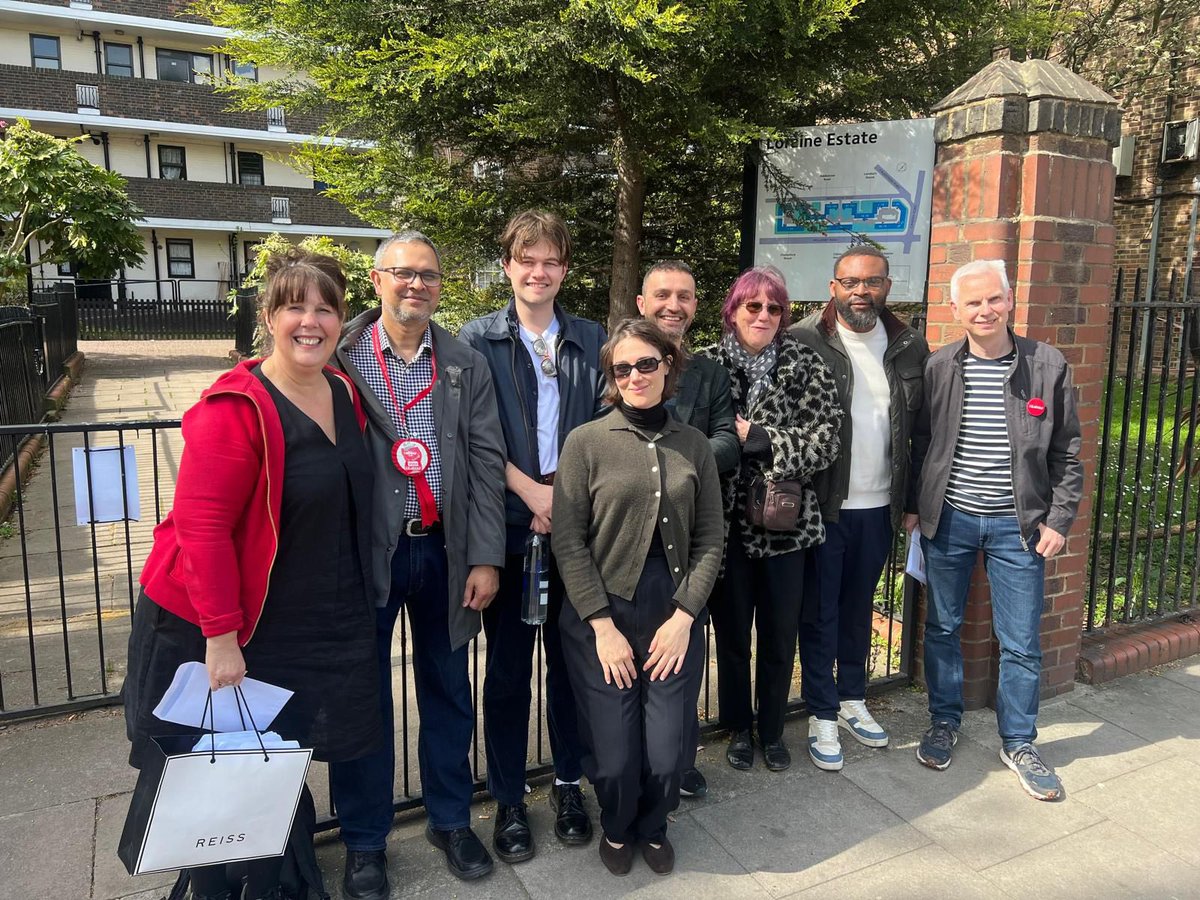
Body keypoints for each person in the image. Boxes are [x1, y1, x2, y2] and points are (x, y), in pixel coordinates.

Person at [126, 249, 381, 900]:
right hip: (221, 628)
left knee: (270, 774)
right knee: (223, 789)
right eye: (295, 305)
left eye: (326, 308)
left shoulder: (342, 390)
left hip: (303, 622)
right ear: (269, 316)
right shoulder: (233, 408)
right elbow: (201, 529)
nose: (311, 321)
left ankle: (276, 881)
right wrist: (221, 638)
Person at [332, 231, 507, 895]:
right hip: (364, 554)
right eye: (402, 273)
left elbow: (487, 463)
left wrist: (487, 555)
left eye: (428, 275)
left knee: (448, 690)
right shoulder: (341, 357)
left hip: (443, 548)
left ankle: (451, 819)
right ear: (375, 281)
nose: (416, 285)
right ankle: (365, 841)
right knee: (363, 700)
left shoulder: (462, 361)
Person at [458, 210, 604, 863]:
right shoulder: (476, 341)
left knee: (572, 673)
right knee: (509, 675)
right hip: (510, 532)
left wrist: (562, 499)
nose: (538, 271)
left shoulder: (593, 339)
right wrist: (528, 491)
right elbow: (470, 436)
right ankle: (511, 799)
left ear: (564, 270)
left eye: (551, 261)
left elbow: (607, 433)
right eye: (527, 260)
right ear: (509, 266)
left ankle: (569, 786)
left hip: (573, 534)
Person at [553, 318, 723, 876]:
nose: (634, 375)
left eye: (646, 363)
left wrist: (684, 617)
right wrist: (602, 626)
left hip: (671, 607)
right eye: (621, 367)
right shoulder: (586, 442)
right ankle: (619, 825)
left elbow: (710, 536)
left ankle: (655, 823)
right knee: (617, 753)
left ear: (668, 365)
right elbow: (568, 539)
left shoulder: (693, 444)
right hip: (601, 608)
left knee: (669, 750)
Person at [910, 259, 1082, 801]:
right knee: (941, 627)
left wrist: (1059, 519)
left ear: (1010, 301)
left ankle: (1019, 741)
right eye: (972, 302)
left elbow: (1069, 451)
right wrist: (917, 508)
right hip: (951, 518)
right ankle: (944, 720)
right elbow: (923, 445)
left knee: (1021, 641)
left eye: (994, 299)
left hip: (1020, 526)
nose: (985, 310)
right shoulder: (940, 366)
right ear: (955, 309)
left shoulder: (1046, 364)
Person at [790, 245, 929, 771]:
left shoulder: (910, 346)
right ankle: (822, 711)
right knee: (820, 610)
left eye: (871, 282)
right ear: (833, 288)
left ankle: (852, 699)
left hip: (881, 506)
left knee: (859, 607)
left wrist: (912, 503)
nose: (860, 292)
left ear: (887, 286)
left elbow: (923, 434)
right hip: (824, 505)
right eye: (850, 282)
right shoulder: (804, 340)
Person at [698, 266, 841, 773]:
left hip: (786, 525)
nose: (763, 315)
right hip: (725, 528)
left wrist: (761, 438)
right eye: (752, 306)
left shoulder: (805, 363)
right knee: (733, 636)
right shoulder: (706, 366)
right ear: (732, 310)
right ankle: (739, 727)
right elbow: (693, 441)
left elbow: (827, 439)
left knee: (781, 637)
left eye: (774, 307)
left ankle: (774, 729)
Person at [635, 259, 739, 799]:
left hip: (689, 531)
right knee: (629, 656)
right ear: (642, 303)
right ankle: (632, 760)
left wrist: (677, 457)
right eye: (663, 295)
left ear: (696, 306)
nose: (673, 305)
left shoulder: (710, 372)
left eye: (685, 296)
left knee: (683, 648)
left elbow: (727, 438)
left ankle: (679, 757)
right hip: (626, 537)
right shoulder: (622, 358)